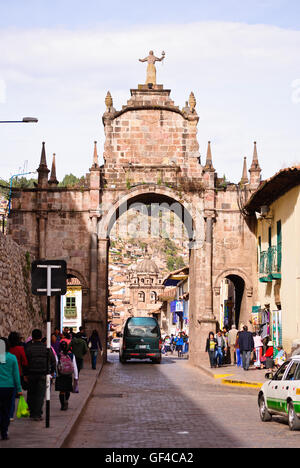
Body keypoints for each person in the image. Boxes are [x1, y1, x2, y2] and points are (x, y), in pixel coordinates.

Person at [24, 329, 56, 421]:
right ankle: (37, 414)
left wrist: (25, 374)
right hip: (43, 374)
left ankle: (32, 411)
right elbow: (53, 361)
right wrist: (52, 372)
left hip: (31, 374)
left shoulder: (28, 348)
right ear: (41, 337)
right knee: (40, 395)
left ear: (32, 337)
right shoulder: (46, 348)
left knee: (31, 393)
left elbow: (25, 363)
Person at [0, 337, 22, 440]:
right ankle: (4, 432)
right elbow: (16, 375)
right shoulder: (12, 358)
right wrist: (19, 388)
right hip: (9, 387)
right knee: (7, 410)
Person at [7, 332, 28, 420]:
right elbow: (25, 362)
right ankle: (10, 415)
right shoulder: (20, 349)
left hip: (5, 376)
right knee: (12, 398)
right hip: (16, 375)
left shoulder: (6, 351)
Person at [55, 340, 78, 410]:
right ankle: (66, 401)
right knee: (68, 390)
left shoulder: (58, 355)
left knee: (61, 391)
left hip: (61, 375)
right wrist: (76, 377)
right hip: (69, 375)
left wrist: (56, 375)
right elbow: (75, 366)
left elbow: (56, 365)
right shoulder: (71, 355)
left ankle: (62, 405)